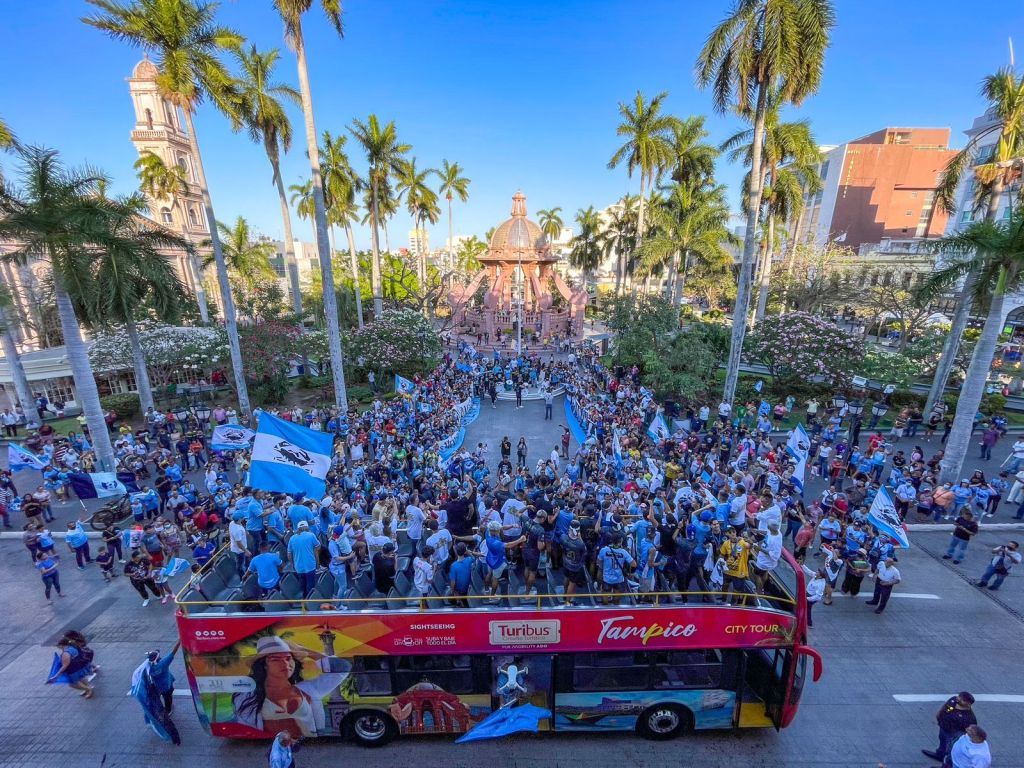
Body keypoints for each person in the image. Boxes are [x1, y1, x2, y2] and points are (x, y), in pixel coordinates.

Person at [233, 636, 351, 738]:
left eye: (288, 658)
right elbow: (247, 726)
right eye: (275, 659)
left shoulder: (308, 689)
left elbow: (343, 667)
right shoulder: (247, 696)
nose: (285, 664)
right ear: (263, 665)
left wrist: (306, 651)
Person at [922, 692, 977, 763]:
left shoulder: (969, 717)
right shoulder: (953, 700)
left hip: (953, 734)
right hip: (944, 727)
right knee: (942, 741)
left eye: (962, 699)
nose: (958, 699)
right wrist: (938, 715)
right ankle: (940, 755)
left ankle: (947, 763)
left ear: (968, 703)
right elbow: (945, 707)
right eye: (959, 696)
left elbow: (969, 730)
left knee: (950, 749)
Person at [287, 521, 320, 598]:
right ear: (307, 527)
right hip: (310, 565)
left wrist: (293, 564)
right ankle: (310, 602)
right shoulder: (311, 535)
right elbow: (318, 546)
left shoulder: (292, 538)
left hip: (298, 567)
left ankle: (305, 601)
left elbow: (289, 554)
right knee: (311, 586)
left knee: (303, 586)